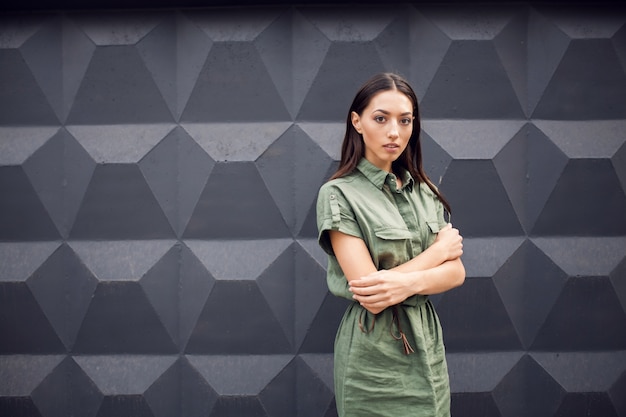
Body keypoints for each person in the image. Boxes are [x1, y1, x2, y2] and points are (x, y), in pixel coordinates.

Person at [316, 72, 465, 417]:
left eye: (405, 120)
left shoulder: (424, 191)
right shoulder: (339, 195)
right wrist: (438, 253)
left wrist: (404, 281)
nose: (394, 132)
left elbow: (457, 273)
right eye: (381, 118)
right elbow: (371, 292)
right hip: (373, 360)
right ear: (357, 121)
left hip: (428, 350)